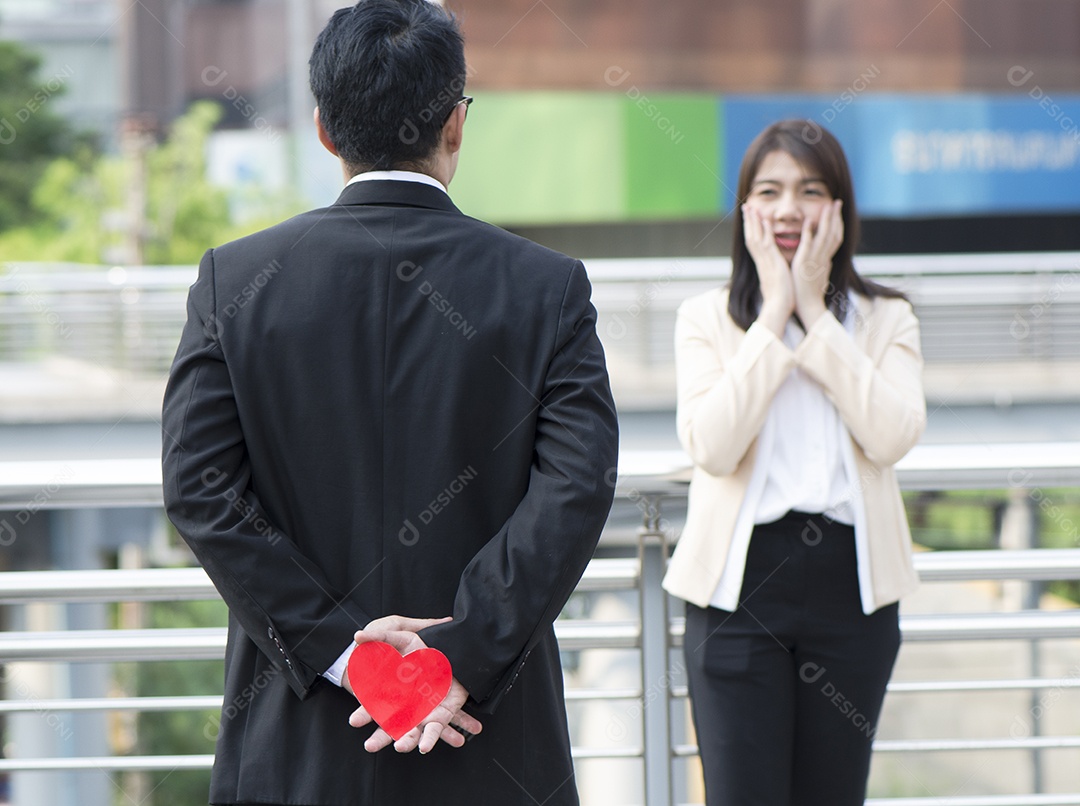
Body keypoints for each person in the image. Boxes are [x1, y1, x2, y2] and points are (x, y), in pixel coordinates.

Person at [161, 2, 619, 804]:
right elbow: (575, 490)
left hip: (298, 741)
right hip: (489, 741)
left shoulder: (234, 284)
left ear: (324, 130)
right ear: (456, 124)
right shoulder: (546, 289)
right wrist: (462, 657)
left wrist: (345, 652)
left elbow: (198, 488)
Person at [662, 120, 926, 806]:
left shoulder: (885, 318)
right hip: (738, 589)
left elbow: (893, 434)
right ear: (745, 207)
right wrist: (776, 313)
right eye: (769, 190)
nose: (788, 209)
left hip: (853, 591)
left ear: (839, 209)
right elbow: (712, 446)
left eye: (811, 190)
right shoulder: (706, 318)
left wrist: (816, 311)